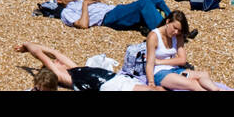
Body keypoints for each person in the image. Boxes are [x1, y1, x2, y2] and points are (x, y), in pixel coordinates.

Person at [18, 42, 153, 92]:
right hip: (108, 86)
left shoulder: (75, 70)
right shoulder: (61, 76)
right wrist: (27, 45)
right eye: (54, 63)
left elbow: (55, 53)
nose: (58, 61)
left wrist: (34, 48)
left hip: (113, 80)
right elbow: (37, 52)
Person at [48, 0, 172, 32]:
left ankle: (174, 23)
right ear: (59, 0)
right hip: (109, 17)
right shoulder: (66, 13)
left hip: (114, 9)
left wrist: (96, 0)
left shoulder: (77, 2)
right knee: (144, 3)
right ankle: (162, 33)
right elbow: (83, 25)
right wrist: (85, 5)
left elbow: (101, 5)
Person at [145, 10, 222, 90]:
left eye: (179, 30)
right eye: (175, 28)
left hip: (175, 70)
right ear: (167, 22)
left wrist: (159, 62)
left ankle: (217, 90)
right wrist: (151, 82)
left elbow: (182, 60)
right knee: (193, 84)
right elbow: (150, 64)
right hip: (160, 72)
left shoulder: (178, 36)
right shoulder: (154, 36)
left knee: (204, 75)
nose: (176, 32)